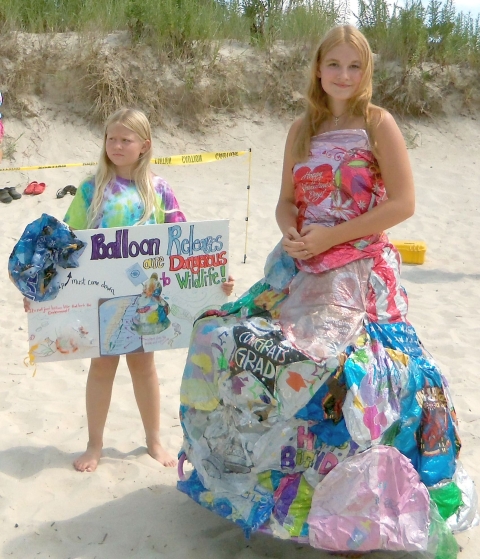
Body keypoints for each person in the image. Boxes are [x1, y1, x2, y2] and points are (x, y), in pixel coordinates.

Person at [177, 25, 478, 556]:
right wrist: (291, 229)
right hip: (299, 264)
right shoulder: (303, 126)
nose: (343, 75)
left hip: (359, 268)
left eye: (354, 67)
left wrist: (332, 236)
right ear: (318, 68)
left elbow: (402, 203)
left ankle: (358, 503)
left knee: (351, 377)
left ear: (367, 73)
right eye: (333, 64)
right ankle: (282, 494)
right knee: (236, 344)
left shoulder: (377, 123)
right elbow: (286, 199)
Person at [57, 108, 234, 472]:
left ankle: (154, 438)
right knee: (101, 367)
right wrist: (46, 290)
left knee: (144, 367)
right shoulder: (92, 188)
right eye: (111, 138)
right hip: (102, 296)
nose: (117, 145)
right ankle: (94, 444)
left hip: (147, 297)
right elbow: (65, 242)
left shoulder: (159, 190)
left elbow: (188, 244)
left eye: (126, 139)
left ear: (144, 145)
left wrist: (218, 279)